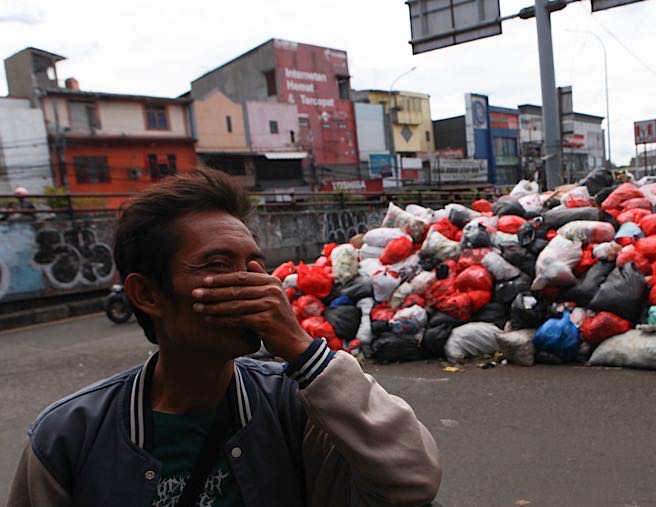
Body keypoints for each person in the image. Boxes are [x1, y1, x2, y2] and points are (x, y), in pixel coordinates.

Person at [7, 168, 441, 507]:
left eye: (255, 264)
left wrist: (303, 352)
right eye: (217, 264)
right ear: (146, 294)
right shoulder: (69, 436)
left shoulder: (295, 406)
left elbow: (414, 480)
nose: (256, 285)